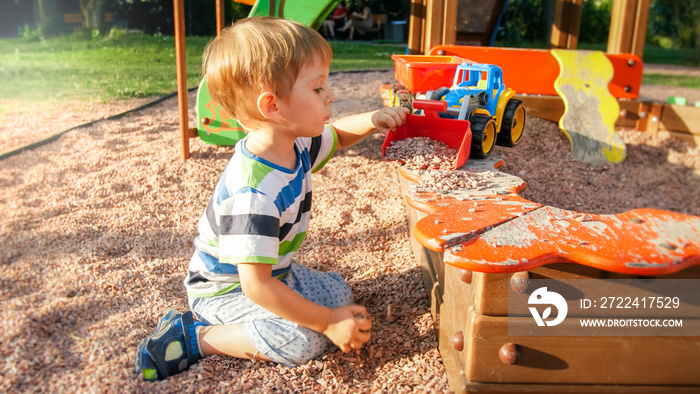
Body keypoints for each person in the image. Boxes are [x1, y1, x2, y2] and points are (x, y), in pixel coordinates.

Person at [134, 17, 409, 381]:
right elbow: (255, 285)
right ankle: (195, 336)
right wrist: (326, 322)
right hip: (226, 290)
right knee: (305, 340)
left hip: (275, 271)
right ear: (273, 106)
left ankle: (304, 310)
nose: (330, 95)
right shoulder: (254, 193)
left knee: (342, 295)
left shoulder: (292, 142)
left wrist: (374, 119)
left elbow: (337, 136)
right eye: (317, 88)